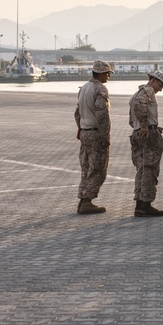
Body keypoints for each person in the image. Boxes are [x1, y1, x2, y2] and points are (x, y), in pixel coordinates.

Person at [74, 60, 114, 214]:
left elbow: (77, 113)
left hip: (85, 132)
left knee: (86, 167)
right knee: (98, 168)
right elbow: (102, 115)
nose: (109, 76)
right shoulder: (100, 89)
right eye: (108, 73)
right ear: (101, 74)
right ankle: (87, 202)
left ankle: (83, 199)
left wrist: (82, 127)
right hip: (96, 132)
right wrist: (105, 137)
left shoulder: (83, 88)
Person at [129, 70, 163, 217]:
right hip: (147, 135)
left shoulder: (137, 92)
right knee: (149, 169)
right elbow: (140, 106)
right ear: (153, 80)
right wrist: (147, 126)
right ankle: (146, 204)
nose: (160, 89)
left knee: (141, 168)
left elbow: (132, 116)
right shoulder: (148, 91)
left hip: (137, 133)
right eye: (160, 84)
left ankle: (140, 203)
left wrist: (147, 125)